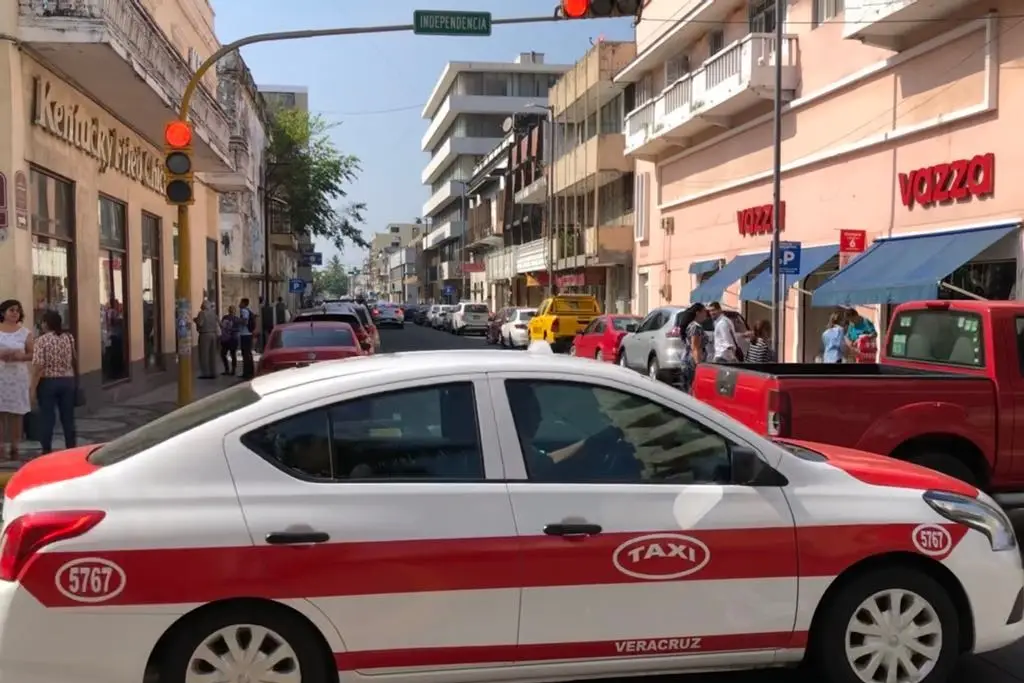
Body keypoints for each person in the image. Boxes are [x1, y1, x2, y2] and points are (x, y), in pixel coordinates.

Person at [31, 310, 76, 455]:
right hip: (67, 381)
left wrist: (32, 387)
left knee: (47, 418)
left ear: (45, 323)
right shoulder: (69, 338)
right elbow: (73, 358)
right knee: (68, 418)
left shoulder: (41, 341)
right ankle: (71, 448)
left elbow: (38, 366)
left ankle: (46, 450)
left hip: (48, 382)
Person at [0, 300, 33, 459]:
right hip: (1, 376)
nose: (15, 313)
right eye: (11, 310)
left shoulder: (25, 333)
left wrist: (22, 356)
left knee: (16, 413)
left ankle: (15, 446)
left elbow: (33, 354)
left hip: (17, 377)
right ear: (3, 312)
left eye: (17, 311)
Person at [677, 303, 708, 393]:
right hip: (692, 362)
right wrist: (698, 365)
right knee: (692, 389)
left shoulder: (691, 325)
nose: (706, 314)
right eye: (704, 312)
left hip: (687, 360)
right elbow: (695, 347)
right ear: (698, 313)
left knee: (688, 388)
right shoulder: (695, 327)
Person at [193, 300, 220, 380]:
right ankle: (213, 372)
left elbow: (200, 323)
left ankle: (205, 373)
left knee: (204, 354)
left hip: (205, 334)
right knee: (212, 354)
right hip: (213, 334)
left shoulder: (202, 313)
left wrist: (195, 320)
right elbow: (218, 322)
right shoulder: (213, 313)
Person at [238, 298, 256, 379]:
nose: (239, 304)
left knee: (245, 354)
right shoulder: (248, 310)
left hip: (245, 334)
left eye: (241, 302)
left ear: (244, 303)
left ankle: (246, 373)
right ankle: (250, 371)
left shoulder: (244, 311)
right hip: (248, 334)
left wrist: (238, 321)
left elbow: (245, 321)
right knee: (248, 353)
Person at [220, 305, 241, 376]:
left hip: (231, 338)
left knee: (230, 354)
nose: (231, 311)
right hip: (229, 338)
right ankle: (230, 370)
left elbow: (238, 329)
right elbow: (222, 326)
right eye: (230, 309)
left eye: (232, 309)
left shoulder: (236, 319)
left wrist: (229, 329)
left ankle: (231, 370)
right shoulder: (226, 317)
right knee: (226, 354)